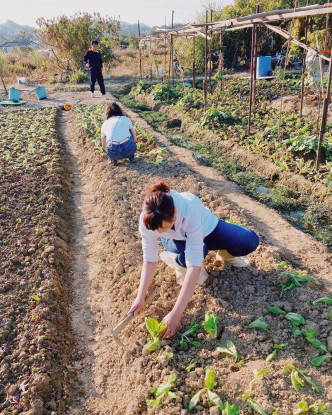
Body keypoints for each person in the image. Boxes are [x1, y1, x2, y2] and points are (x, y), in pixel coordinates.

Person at [129, 181, 259, 338]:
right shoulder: (148, 219)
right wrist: (140, 295)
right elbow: (150, 259)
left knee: (249, 240)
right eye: (156, 230)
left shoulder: (189, 209)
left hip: (208, 229)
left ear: (175, 213)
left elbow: (195, 266)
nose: (159, 232)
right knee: (198, 252)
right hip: (176, 241)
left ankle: (225, 255)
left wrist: (175, 314)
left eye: (163, 228)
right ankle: (178, 261)